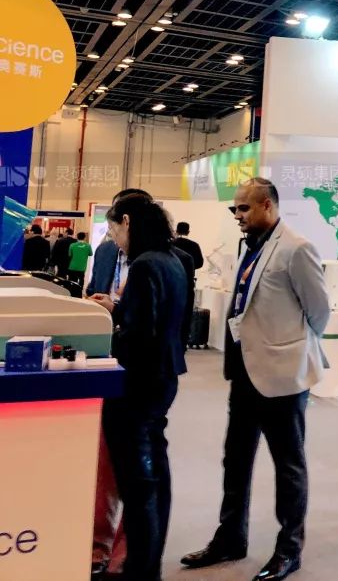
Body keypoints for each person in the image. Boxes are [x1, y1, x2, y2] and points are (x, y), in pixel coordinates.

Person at [182, 178, 330, 581]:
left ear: (267, 205)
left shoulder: (296, 248)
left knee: (288, 466)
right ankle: (231, 538)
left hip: (282, 377)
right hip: (244, 374)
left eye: (244, 208)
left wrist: (288, 347)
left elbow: (319, 312)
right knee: (236, 460)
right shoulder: (247, 246)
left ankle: (289, 549)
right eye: (234, 209)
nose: (237, 215)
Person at [87, 189, 194, 580]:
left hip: (137, 384)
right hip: (163, 378)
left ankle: (140, 570)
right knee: (152, 478)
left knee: (138, 486)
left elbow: (140, 335)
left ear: (127, 222)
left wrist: (113, 330)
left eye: (114, 230)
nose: (114, 239)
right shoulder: (172, 259)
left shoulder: (146, 264)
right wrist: (119, 309)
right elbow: (163, 320)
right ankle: (146, 565)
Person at [172, 221, 204, 346]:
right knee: (185, 313)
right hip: (187, 283)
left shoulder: (171, 245)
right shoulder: (194, 245)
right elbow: (200, 263)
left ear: (176, 231)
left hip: (172, 283)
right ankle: (183, 340)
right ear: (188, 231)